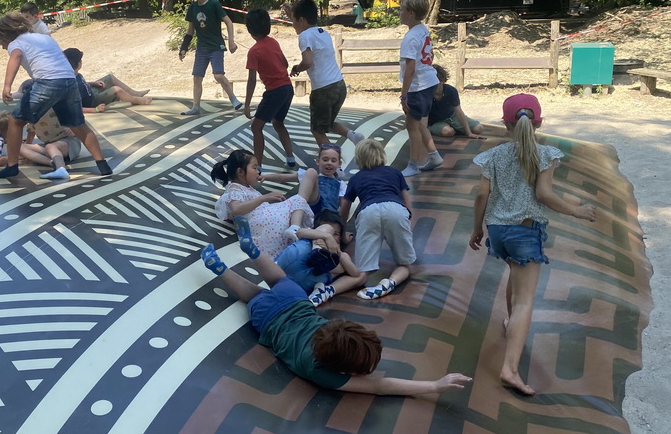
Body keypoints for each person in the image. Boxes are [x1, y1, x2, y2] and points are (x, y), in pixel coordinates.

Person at [199, 219, 472, 395]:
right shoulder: (320, 371)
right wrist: (433, 386)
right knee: (252, 293)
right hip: (269, 321)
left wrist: (436, 383)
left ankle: (254, 251)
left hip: (297, 300)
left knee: (278, 279)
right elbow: (381, 386)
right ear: (340, 367)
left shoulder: (334, 329)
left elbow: (376, 378)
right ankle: (220, 269)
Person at [469, 93, 597, 396]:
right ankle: (510, 369)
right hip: (524, 231)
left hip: (498, 230)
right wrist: (576, 210)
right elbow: (543, 194)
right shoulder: (546, 154)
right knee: (527, 298)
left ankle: (510, 322)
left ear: (505, 123)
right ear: (539, 123)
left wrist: (477, 229)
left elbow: (480, 196)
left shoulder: (494, 155)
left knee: (516, 273)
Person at [0, 11, 112, 179]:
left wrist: (7, 86)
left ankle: (12, 167)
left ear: (6, 35)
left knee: (15, 121)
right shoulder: (45, 38)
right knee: (78, 125)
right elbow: (61, 57)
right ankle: (103, 165)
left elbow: (16, 56)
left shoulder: (16, 42)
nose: (4, 47)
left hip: (47, 82)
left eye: (2, 43)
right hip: (70, 80)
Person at [339, 138, 417, 301]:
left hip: (368, 212)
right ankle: (389, 283)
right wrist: (406, 220)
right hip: (396, 209)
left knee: (362, 271)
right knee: (405, 265)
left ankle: (332, 289)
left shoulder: (356, 178)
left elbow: (345, 208)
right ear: (382, 154)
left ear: (358, 159)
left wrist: (340, 231)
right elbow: (406, 200)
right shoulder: (395, 172)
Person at [283, 0, 363, 147]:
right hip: (339, 85)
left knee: (317, 130)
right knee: (328, 122)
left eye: (293, 21)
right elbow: (304, 29)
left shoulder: (304, 36)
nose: (292, 25)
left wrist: (296, 69)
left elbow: (307, 62)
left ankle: (333, 164)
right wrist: (292, 15)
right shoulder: (323, 33)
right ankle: (353, 136)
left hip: (323, 90)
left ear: (300, 20)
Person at [212, 149, 316, 258]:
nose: (258, 171)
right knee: (297, 200)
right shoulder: (234, 189)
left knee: (298, 201)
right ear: (240, 172)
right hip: (263, 223)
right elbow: (236, 209)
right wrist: (263, 198)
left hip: (266, 222)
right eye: (254, 168)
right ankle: (295, 227)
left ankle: (295, 227)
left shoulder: (244, 188)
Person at [240, 8, 297, 169]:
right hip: (287, 88)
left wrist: (246, 105)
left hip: (274, 92)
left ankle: (257, 166)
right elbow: (285, 63)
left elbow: (251, 81)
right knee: (278, 122)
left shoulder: (254, 51)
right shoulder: (274, 42)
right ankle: (290, 157)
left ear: (249, 29)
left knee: (256, 127)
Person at [178, 0, 240, 116]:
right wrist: (183, 48)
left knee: (218, 75)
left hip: (216, 47)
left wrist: (231, 42)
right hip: (202, 49)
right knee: (197, 77)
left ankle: (234, 99)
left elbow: (229, 22)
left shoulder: (214, 4)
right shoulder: (192, 8)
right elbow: (190, 31)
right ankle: (196, 106)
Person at [275, 210, 366, 304]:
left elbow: (355, 274)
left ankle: (325, 292)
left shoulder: (341, 255)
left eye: (336, 234)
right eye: (330, 232)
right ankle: (317, 251)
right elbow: (299, 232)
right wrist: (326, 236)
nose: (332, 236)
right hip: (291, 261)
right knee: (326, 229)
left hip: (305, 280)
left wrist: (339, 253)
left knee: (356, 273)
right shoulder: (311, 235)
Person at [397, 0, 442, 177]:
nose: (399, 13)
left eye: (402, 9)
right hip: (430, 81)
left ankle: (413, 165)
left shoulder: (410, 38)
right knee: (419, 123)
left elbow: (410, 68)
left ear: (411, 13)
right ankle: (434, 155)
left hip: (418, 86)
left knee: (412, 126)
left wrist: (404, 94)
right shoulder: (422, 29)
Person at [14, 80, 84, 180]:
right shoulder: (31, 114)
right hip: (48, 145)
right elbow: (31, 132)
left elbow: (77, 119)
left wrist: (72, 131)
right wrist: (27, 146)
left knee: (50, 147)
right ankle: (51, 162)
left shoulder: (56, 106)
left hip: (69, 142)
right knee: (20, 147)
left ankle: (61, 168)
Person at [62, 47, 152, 111]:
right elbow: (75, 106)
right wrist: (94, 110)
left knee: (110, 77)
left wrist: (93, 83)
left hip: (91, 92)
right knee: (116, 90)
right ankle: (137, 100)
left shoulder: (75, 74)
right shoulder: (71, 83)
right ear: (78, 64)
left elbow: (83, 84)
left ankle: (135, 93)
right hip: (93, 102)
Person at [428, 64, 485, 139]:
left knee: (478, 128)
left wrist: (469, 133)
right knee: (447, 132)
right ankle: (436, 129)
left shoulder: (451, 91)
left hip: (452, 116)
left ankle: (457, 128)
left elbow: (458, 111)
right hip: (435, 121)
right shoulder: (427, 93)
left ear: (442, 81)